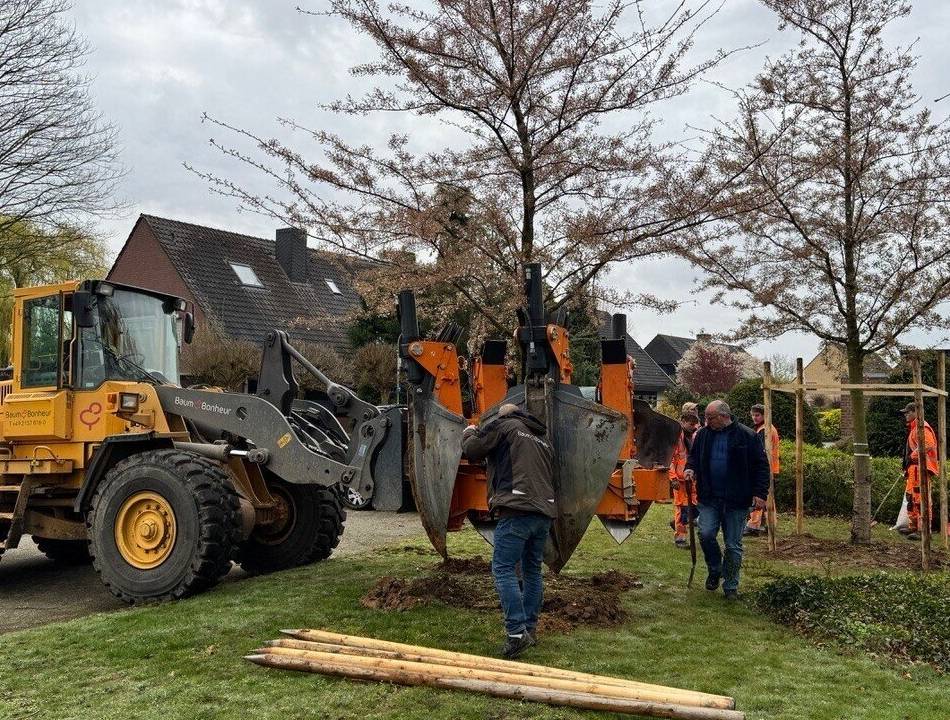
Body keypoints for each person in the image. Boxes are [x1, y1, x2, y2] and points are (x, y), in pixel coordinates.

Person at [461, 402, 555, 658]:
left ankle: (515, 633)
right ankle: (530, 629)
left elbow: (473, 449)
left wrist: (469, 431)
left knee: (503, 569)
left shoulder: (505, 425)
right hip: (544, 513)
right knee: (532, 571)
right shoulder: (541, 437)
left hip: (516, 509)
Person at [684, 400, 769, 600]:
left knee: (733, 545)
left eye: (709, 418)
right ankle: (715, 569)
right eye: (705, 417)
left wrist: (760, 493)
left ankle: (730, 585)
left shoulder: (747, 436)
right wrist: (690, 467)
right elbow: (694, 457)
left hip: (736, 500)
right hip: (709, 497)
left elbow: (761, 466)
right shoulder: (704, 435)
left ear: (723, 416)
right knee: (705, 534)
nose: (705, 421)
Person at [900, 402, 938, 542]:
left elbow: (928, 444)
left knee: (920, 498)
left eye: (908, 412)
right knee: (912, 497)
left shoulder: (922, 427)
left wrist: (912, 457)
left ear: (916, 412)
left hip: (920, 468)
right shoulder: (914, 428)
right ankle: (914, 526)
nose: (906, 415)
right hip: (914, 468)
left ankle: (923, 529)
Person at [745, 403, 780, 535]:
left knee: (759, 494)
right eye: (753, 415)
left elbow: (759, 451)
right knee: (768, 496)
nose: (754, 418)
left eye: (757, 415)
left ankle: (753, 525)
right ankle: (770, 523)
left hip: (765, 467)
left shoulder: (764, 431)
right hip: (771, 466)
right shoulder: (768, 428)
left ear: (765, 415)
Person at [669, 412, 701, 547]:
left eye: (695, 425)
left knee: (695, 507)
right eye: (691, 424)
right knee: (683, 509)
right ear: (683, 421)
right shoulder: (676, 437)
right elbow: (669, 458)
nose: (693, 427)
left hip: (691, 479)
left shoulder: (693, 436)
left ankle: (677, 524)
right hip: (680, 480)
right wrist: (673, 478)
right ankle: (680, 538)